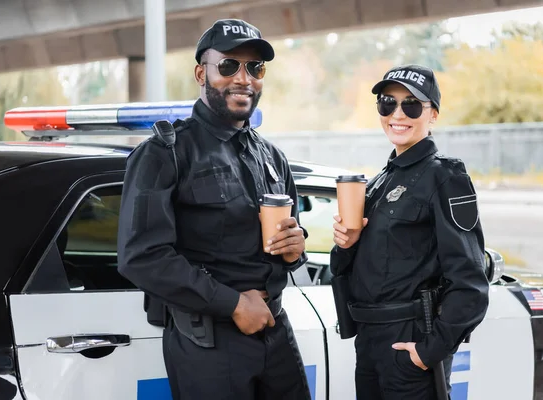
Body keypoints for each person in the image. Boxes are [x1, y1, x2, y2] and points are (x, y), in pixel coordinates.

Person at [117, 19, 312, 400]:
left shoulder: (272, 156)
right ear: (200, 73)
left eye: (255, 68)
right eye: (228, 66)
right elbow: (142, 256)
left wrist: (295, 247)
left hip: (276, 329)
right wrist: (233, 303)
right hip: (208, 341)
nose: (244, 79)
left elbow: (291, 242)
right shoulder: (164, 154)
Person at [330, 64, 490, 400]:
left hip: (410, 344)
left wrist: (430, 351)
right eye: (388, 103)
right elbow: (348, 268)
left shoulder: (445, 177)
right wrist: (345, 244)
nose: (397, 114)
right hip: (370, 344)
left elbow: (471, 282)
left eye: (412, 105)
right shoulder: (376, 183)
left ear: (433, 115)